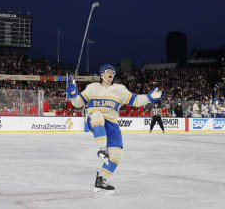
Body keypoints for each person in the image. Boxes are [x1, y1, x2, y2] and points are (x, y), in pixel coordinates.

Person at [66, 64, 164, 194]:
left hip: (112, 122)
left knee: (117, 155)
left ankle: (101, 180)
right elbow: (78, 103)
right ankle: (102, 148)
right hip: (94, 117)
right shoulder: (92, 88)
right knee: (97, 115)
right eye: (107, 71)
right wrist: (73, 95)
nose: (110, 73)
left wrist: (149, 97)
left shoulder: (120, 89)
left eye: (112, 71)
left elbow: (135, 100)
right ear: (101, 74)